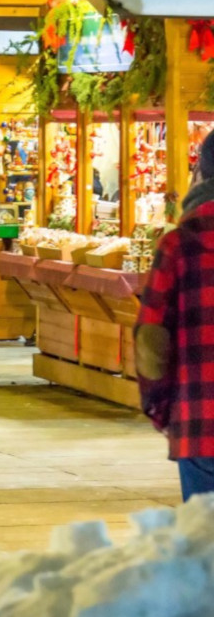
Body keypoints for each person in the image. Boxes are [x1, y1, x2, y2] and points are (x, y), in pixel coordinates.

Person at [136, 132, 214, 502]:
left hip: (201, 419)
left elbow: (151, 338)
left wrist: (159, 407)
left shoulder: (178, 245)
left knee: (205, 541)